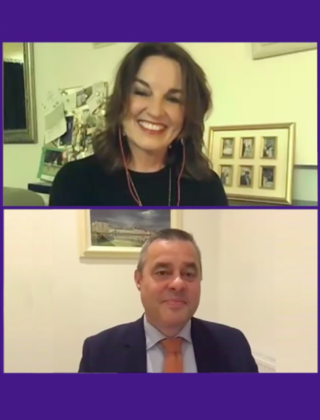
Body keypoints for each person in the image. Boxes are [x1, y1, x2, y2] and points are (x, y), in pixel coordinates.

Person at [50, 43, 228, 206]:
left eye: (173, 99)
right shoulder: (74, 182)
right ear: (121, 102)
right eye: (141, 92)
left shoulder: (208, 188)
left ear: (188, 115)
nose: (156, 111)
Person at [78, 229, 258, 373]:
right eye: (162, 272)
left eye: (189, 274)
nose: (178, 284)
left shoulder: (233, 345)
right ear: (139, 280)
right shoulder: (100, 352)